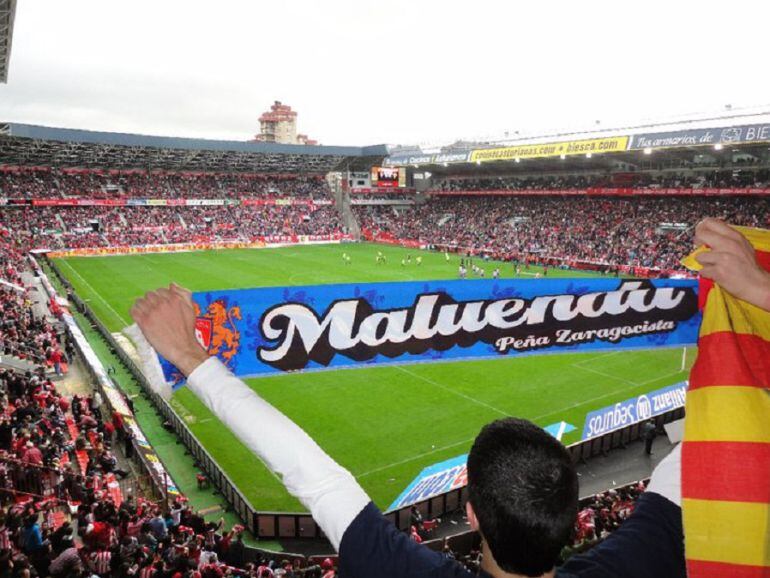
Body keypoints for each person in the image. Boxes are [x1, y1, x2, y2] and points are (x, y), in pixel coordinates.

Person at [129, 219, 768, 578]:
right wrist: (755, 300)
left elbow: (314, 480)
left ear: (475, 517)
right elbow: (723, 437)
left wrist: (190, 357)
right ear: (575, 516)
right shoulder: (643, 559)